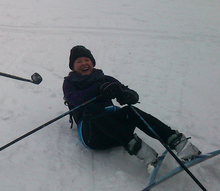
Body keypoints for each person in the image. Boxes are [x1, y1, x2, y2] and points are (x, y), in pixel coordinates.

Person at [62, 45, 201, 172]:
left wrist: (127, 96)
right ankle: (144, 153)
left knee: (129, 111)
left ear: (92, 62)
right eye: (79, 61)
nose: (84, 63)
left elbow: (127, 93)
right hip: (93, 135)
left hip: (117, 132)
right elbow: (74, 98)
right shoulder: (69, 83)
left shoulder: (105, 78)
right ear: (73, 67)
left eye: (87, 59)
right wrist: (98, 89)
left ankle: (179, 143)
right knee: (92, 107)